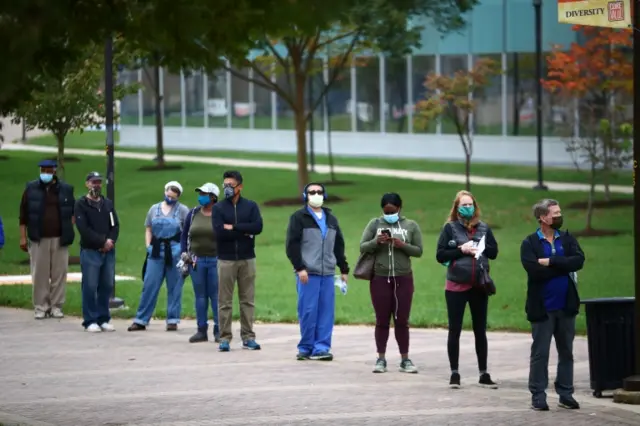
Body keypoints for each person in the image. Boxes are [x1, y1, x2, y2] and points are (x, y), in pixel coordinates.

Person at [521, 199, 584, 411]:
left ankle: (565, 393)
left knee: (566, 351)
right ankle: (538, 395)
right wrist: (562, 265)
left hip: (566, 305)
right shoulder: (530, 243)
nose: (559, 216)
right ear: (542, 218)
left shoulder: (566, 239)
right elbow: (534, 270)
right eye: (554, 213)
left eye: (559, 211)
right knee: (541, 353)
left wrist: (551, 261)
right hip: (543, 308)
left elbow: (579, 261)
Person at [436, 190, 499, 389]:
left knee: (480, 330)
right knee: (455, 329)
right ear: (456, 208)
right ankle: (455, 373)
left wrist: (482, 247)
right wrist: (460, 250)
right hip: (456, 285)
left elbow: (494, 252)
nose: (467, 208)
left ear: (475, 206)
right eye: (463, 205)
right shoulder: (450, 228)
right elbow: (440, 255)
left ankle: (483, 373)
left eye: (470, 204)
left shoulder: (484, 228)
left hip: (479, 284)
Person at [359, 192, 423, 373]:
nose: (389, 214)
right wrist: (376, 241)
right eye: (386, 211)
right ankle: (381, 359)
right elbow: (362, 246)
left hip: (403, 278)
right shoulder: (375, 224)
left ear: (400, 208)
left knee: (401, 319)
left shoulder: (410, 225)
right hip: (380, 278)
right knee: (382, 320)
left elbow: (418, 251)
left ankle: (405, 359)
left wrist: (401, 245)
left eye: (392, 211)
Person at [286, 182, 349, 361]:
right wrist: (300, 268)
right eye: (311, 192)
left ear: (324, 194)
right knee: (308, 310)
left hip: (328, 273)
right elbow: (292, 245)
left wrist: (343, 268)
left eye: (319, 192)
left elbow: (338, 245)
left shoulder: (331, 219)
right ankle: (305, 347)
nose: (316, 194)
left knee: (325, 312)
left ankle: (321, 347)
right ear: (305, 196)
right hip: (308, 273)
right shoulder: (299, 217)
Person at [128, 181, 190, 332]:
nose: (170, 199)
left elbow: (188, 232)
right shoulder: (153, 209)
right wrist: (148, 246)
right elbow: (148, 229)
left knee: (175, 286)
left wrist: (185, 252)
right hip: (156, 251)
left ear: (178, 197)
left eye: (173, 197)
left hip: (175, 251)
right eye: (168, 195)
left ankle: (172, 320)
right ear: (165, 192)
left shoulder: (183, 210)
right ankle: (141, 320)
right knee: (150, 285)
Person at [212, 170, 263, 351]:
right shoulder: (218, 208)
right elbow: (219, 232)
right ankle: (224, 338)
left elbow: (257, 227)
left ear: (239, 187)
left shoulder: (250, 206)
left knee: (247, 300)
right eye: (224, 185)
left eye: (230, 186)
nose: (227, 189)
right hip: (225, 260)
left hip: (247, 259)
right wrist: (244, 232)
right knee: (224, 301)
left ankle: (248, 337)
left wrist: (233, 227)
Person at [19, 159, 75, 319]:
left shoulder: (65, 189)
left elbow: (72, 211)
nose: (45, 173)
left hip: (60, 238)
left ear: (54, 171)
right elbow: (23, 215)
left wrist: (70, 226)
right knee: (39, 274)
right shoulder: (30, 189)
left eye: (48, 170)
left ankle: (56, 306)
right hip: (39, 238)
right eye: (43, 170)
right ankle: (41, 306)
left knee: (59, 274)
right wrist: (23, 237)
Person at [74, 172, 119, 332]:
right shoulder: (81, 204)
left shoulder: (107, 204)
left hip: (108, 251)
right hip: (91, 250)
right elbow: (84, 229)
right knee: (90, 285)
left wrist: (110, 241)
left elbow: (115, 225)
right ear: (87, 184)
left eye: (99, 182)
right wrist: (101, 242)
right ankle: (90, 320)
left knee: (106, 284)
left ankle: (103, 318)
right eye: (93, 182)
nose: (97, 185)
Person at [180, 182, 221, 343]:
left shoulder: (220, 214)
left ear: (213, 197)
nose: (201, 197)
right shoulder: (193, 213)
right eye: (200, 194)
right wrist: (184, 252)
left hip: (216, 260)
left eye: (204, 194)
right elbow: (184, 235)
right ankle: (201, 330)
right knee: (200, 296)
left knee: (216, 296)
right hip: (196, 261)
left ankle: (219, 330)